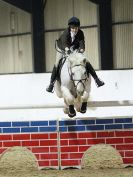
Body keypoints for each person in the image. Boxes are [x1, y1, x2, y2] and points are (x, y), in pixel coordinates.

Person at [46, 16, 104, 93]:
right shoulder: (65, 33)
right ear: (70, 27)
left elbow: (82, 43)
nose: (75, 30)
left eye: (76, 28)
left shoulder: (80, 33)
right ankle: (51, 84)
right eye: (73, 28)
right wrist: (68, 50)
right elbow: (64, 44)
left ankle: (97, 79)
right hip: (62, 49)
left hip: (74, 49)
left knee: (85, 61)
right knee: (57, 64)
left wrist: (81, 50)